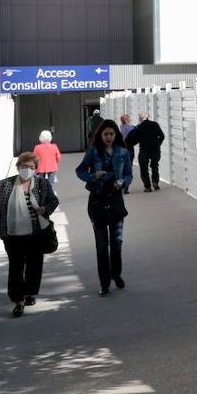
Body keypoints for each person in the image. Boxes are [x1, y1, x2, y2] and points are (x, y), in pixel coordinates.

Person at [0, 152, 59, 317]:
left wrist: (45, 209)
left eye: (31, 167)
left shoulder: (42, 183)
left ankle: (29, 293)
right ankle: (18, 300)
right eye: (24, 167)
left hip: (35, 233)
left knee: (34, 265)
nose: (27, 170)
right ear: (18, 167)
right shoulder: (5, 185)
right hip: (11, 235)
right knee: (16, 267)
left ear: (36, 169)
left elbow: (53, 200)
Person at [76, 119, 133, 296]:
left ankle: (116, 274)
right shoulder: (93, 152)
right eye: (105, 134)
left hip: (116, 203)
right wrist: (93, 176)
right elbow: (80, 170)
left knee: (116, 244)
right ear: (100, 135)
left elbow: (129, 174)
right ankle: (104, 283)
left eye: (111, 134)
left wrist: (123, 182)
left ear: (116, 135)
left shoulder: (123, 152)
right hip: (97, 204)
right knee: (101, 247)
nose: (108, 137)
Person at [125, 112, 166, 193]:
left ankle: (148, 187)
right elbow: (162, 136)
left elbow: (132, 138)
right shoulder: (155, 124)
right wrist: (158, 144)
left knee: (144, 169)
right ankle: (155, 183)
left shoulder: (139, 127)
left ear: (140, 119)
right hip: (155, 150)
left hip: (144, 150)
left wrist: (129, 144)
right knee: (154, 166)